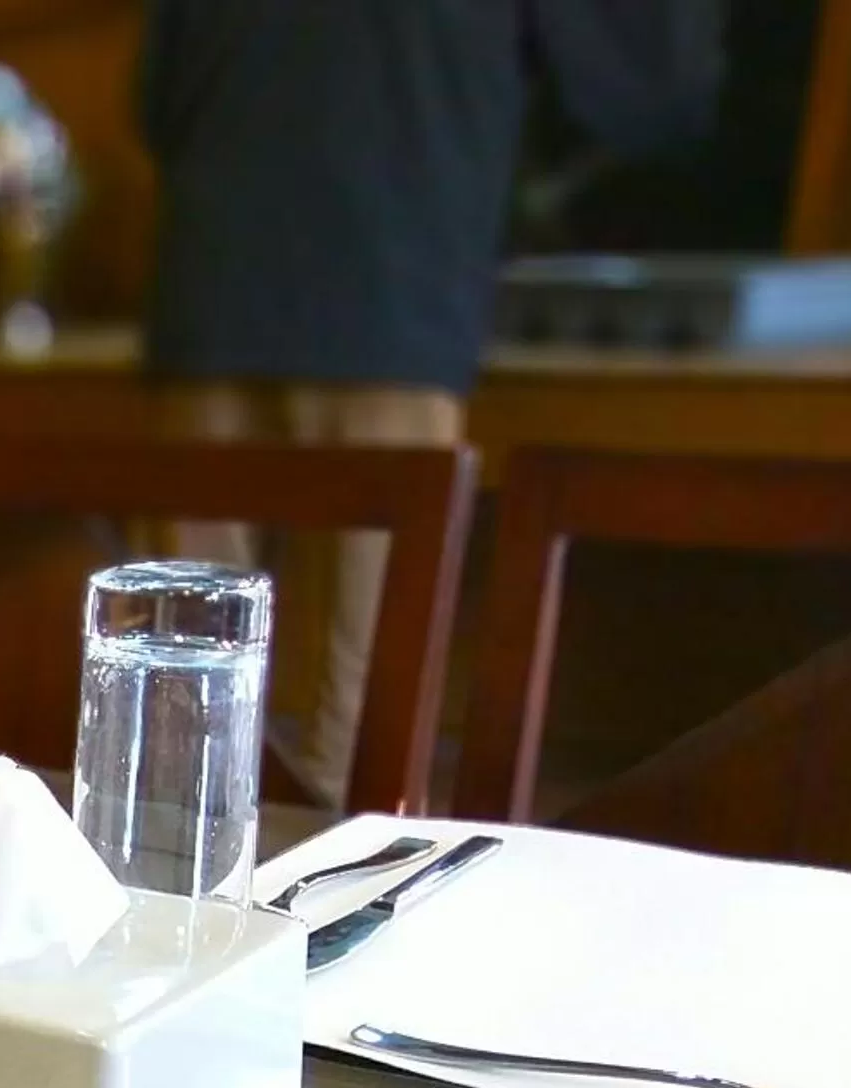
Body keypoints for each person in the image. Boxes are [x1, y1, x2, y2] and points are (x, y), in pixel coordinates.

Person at [138, 1, 724, 807]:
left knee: (178, 731)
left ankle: (176, 903)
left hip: (214, 289)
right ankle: (326, 911)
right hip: (392, 290)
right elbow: (651, 95)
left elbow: (155, 101)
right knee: (365, 739)